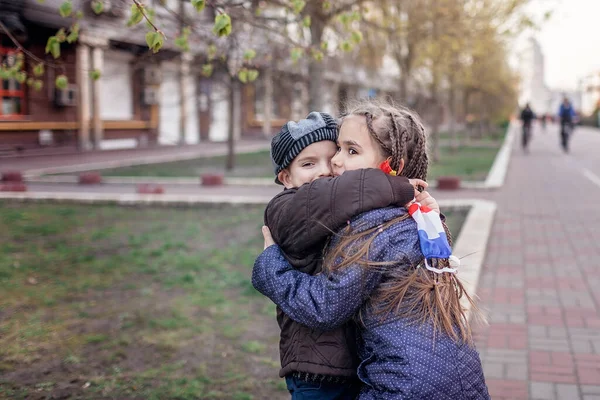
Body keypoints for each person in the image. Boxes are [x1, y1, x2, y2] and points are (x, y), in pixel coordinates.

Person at [253, 100, 489, 399]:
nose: (335, 163)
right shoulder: (411, 217)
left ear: (391, 168)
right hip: (461, 376)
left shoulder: (374, 229)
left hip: (402, 385)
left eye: (350, 151)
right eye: (339, 148)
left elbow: (324, 307)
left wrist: (269, 266)